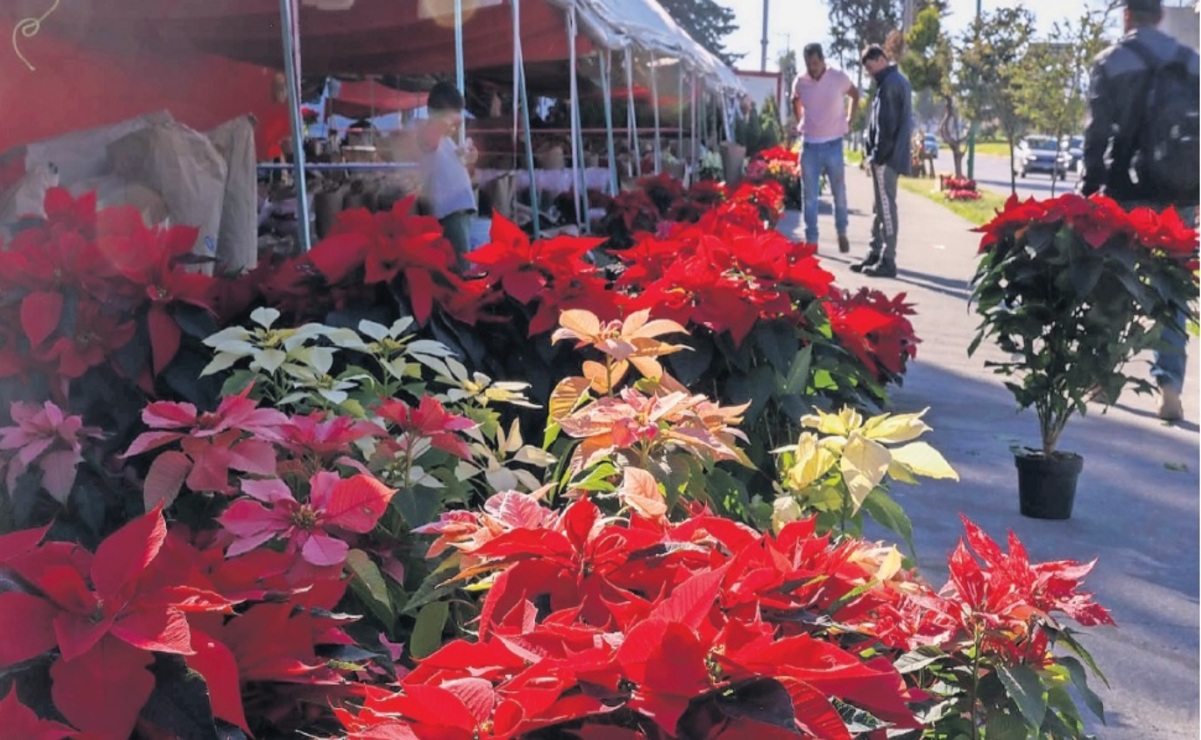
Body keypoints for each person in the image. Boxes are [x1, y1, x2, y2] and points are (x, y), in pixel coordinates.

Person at [1079, 0, 1199, 421]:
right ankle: (1168, 383)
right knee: (1171, 291)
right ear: (1161, 16)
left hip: (1126, 195)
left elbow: (1097, 134)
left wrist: (1090, 189)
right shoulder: (1191, 61)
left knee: (1112, 283)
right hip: (1181, 197)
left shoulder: (1112, 61)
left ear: (1127, 15)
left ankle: (1100, 376)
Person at [850, 44, 912, 279]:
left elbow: (887, 125)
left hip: (887, 157)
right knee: (879, 207)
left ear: (880, 60)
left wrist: (876, 156)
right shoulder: (892, 82)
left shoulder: (891, 84)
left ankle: (888, 259)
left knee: (886, 208)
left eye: (870, 66)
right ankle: (875, 253)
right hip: (886, 155)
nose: (869, 72)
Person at [792, 43, 859, 253]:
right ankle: (811, 240)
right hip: (810, 145)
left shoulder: (838, 77)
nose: (812, 68)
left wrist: (850, 118)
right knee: (809, 196)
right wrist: (801, 120)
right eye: (808, 64)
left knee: (839, 191)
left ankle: (842, 231)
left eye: (815, 63)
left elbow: (855, 94)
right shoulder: (800, 81)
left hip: (833, 145)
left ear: (822, 60)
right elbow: (795, 99)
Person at [418, 82, 478, 269]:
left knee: (464, 264)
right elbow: (430, 136)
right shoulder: (428, 135)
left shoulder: (447, 142)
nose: (456, 122)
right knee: (461, 269)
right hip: (450, 213)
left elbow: (459, 170)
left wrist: (469, 160)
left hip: (461, 211)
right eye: (452, 115)